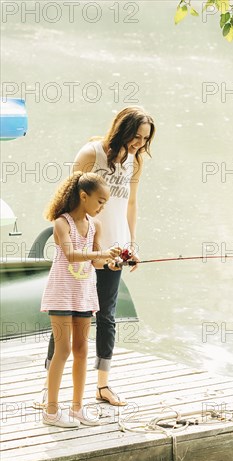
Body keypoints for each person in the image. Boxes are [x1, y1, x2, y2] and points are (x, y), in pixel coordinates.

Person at [34, 106, 155, 408]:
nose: (139, 143)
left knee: (107, 315)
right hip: (82, 248)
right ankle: (49, 389)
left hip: (114, 249)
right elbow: (68, 200)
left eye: (145, 139)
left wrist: (131, 245)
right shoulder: (91, 154)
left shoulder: (135, 162)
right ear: (121, 129)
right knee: (69, 313)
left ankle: (103, 385)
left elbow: (131, 205)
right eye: (136, 136)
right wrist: (80, 249)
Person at [41, 171, 121, 428]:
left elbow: (95, 260)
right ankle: (51, 411)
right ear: (83, 196)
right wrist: (100, 253)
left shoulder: (95, 225)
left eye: (105, 203)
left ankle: (77, 408)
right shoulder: (62, 223)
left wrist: (111, 260)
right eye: (99, 201)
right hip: (62, 294)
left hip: (84, 294)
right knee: (62, 350)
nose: (102, 207)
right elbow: (70, 254)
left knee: (82, 351)